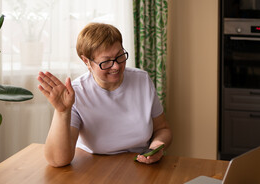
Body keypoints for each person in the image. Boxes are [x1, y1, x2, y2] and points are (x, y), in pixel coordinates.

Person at [37, 22, 172, 167]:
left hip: (141, 164)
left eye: (120, 56)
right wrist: (62, 112)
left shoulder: (142, 80)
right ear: (87, 61)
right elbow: (57, 160)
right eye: (106, 61)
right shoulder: (76, 93)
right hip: (95, 168)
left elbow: (162, 129)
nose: (117, 66)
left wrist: (156, 147)